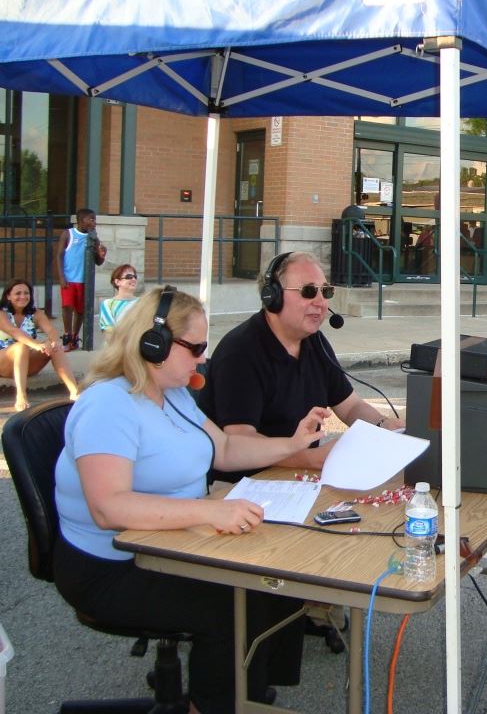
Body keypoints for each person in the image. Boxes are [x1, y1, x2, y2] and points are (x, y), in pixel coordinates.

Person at [53, 286, 330, 713]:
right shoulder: (107, 405)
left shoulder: (175, 392)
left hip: (175, 543)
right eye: (196, 347)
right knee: (232, 608)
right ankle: (219, 702)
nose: (204, 358)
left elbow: (225, 450)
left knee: (274, 583)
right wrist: (209, 510)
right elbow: (108, 507)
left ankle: (244, 695)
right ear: (154, 344)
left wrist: (294, 445)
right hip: (111, 567)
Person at [197, 251, 404, 480]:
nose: (320, 302)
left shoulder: (314, 342)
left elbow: (350, 406)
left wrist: (384, 426)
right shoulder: (240, 352)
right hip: (243, 486)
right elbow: (240, 440)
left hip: (302, 479)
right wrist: (312, 458)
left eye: (325, 291)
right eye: (308, 291)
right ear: (272, 297)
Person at [0, 278, 79, 410]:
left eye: (26, 293)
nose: (23, 296)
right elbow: (13, 331)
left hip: (26, 364)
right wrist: (36, 345)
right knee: (21, 346)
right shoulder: (2, 313)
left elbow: (51, 330)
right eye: (18, 293)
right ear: (8, 296)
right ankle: (21, 395)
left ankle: (75, 391)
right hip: (4, 362)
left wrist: (55, 342)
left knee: (54, 347)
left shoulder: (36, 313)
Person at [55, 208, 106, 350]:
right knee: (67, 306)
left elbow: (98, 261)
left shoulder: (93, 238)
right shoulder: (68, 234)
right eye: (91, 219)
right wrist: (61, 276)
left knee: (80, 309)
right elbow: (59, 255)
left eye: (94, 219)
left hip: (85, 280)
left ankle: (75, 336)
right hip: (69, 278)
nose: (94, 222)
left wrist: (101, 255)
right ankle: (67, 335)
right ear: (81, 220)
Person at [98, 264, 140, 333]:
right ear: (117, 282)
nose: (133, 279)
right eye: (129, 276)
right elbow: (108, 332)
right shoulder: (108, 304)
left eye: (135, 277)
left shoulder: (142, 302)